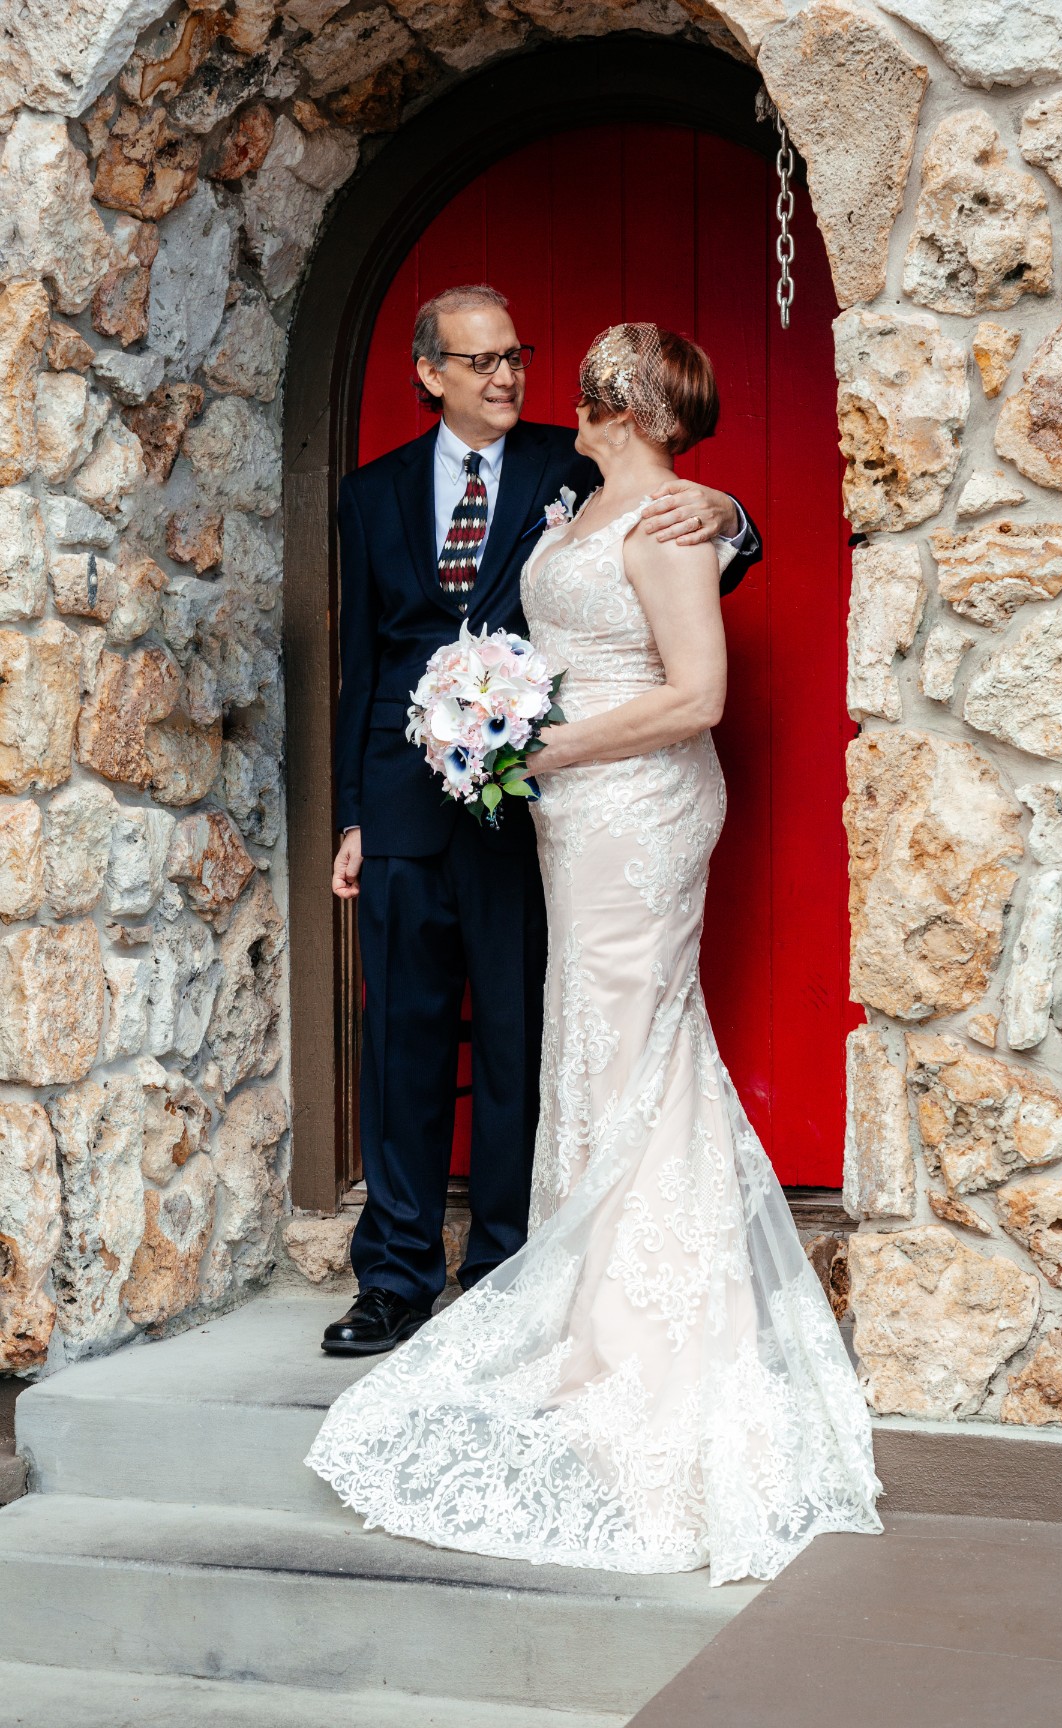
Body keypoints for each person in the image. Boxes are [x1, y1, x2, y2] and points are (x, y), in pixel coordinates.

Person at [308, 323, 881, 1586]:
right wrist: (469, 748)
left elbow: (699, 691)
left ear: (613, 401)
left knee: (626, 1040)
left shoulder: (673, 520)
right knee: (591, 1043)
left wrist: (536, 750)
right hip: (560, 818)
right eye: (495, 359)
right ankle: (574, 1309)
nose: (534, 381)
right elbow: (409, 650)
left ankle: (639, 1332)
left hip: (630, 810)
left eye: (564, 374)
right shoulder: (569, 503)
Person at [323, 286, 762, 1355]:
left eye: (516, 355)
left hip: (539, 809)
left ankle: (514, 1265)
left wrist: (734, 515)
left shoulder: (572, 470)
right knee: (404, 1040)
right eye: (479, 362)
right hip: (406, 801)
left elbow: (683, 527)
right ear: (429, 373)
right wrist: (353, 814)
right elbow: (363, 666)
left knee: (534, 1031)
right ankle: (392, 1275)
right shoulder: (371, 493)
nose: (506, 376)